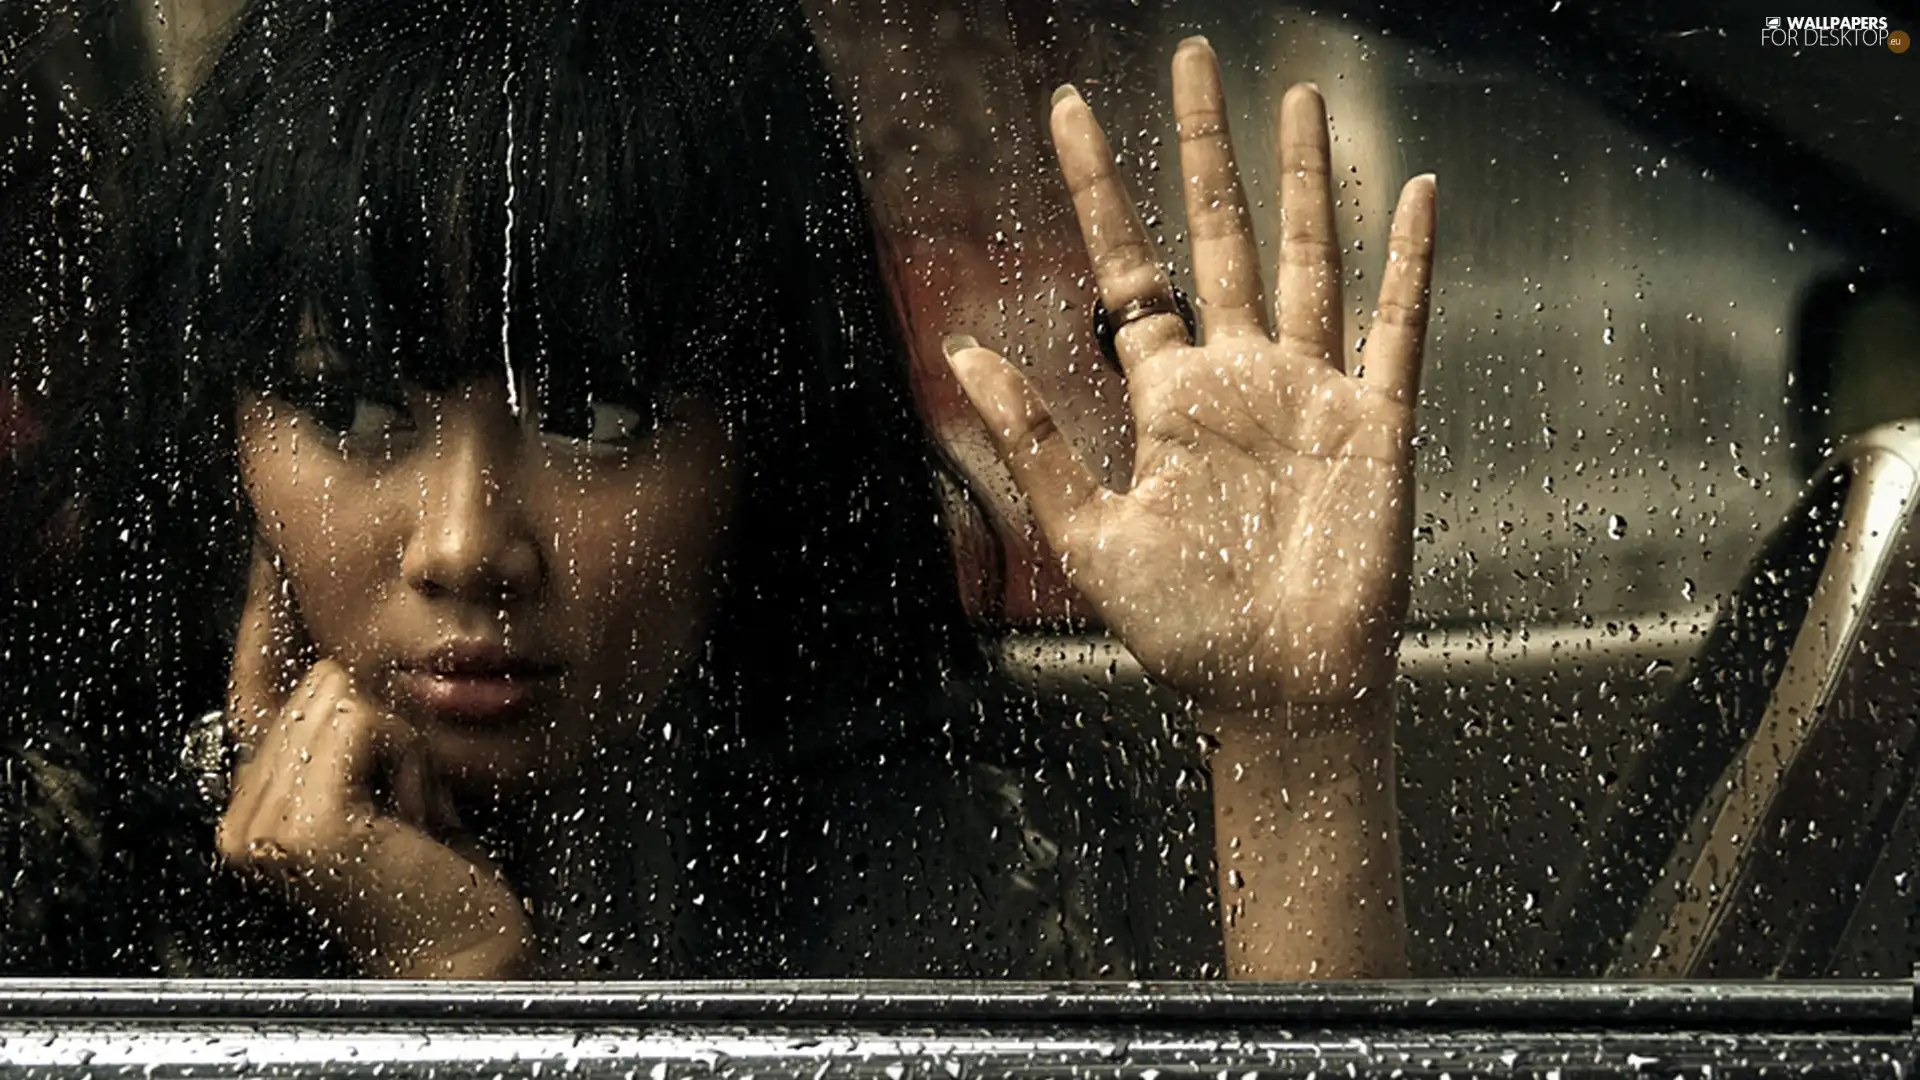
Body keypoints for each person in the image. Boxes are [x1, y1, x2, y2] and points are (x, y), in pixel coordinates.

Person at [3, 0, 1435, 980]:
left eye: (597, 413)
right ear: (226, 428)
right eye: (355, 408)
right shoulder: (61, 877)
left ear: (761, 435)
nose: (464, 545)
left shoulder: (953, 860)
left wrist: (1294, 740)